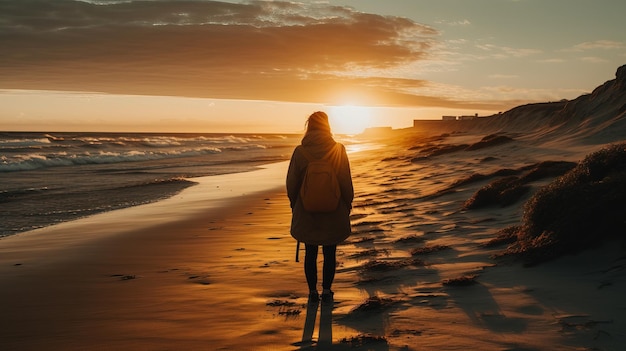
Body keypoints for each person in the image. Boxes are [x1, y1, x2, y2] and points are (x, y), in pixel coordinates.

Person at [286, 111, 354, 303]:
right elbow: (345, 181)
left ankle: (312, 293)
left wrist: (295, 204)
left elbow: (291, 183)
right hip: (334, 209)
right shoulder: (338, 149)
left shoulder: (300, 152)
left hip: (306, 210)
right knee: (330, 251)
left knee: (310, 251)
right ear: (327, 126)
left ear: (309, 127)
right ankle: (326, 291)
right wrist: (347, 204)